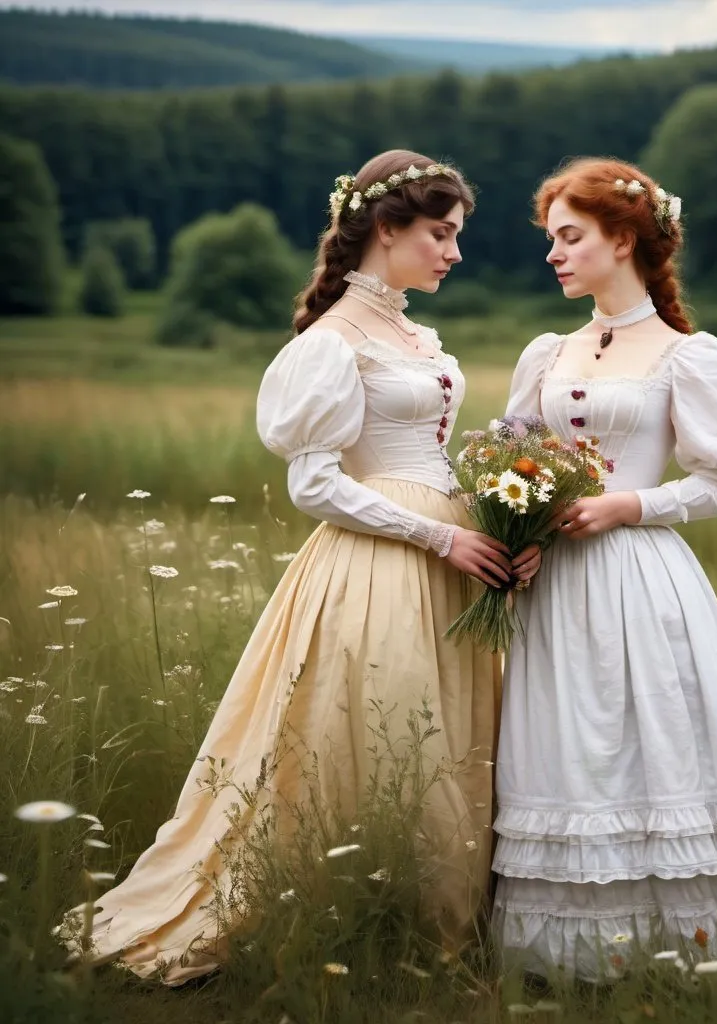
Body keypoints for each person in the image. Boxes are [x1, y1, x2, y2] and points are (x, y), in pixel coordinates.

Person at [62, 149, 540, 985]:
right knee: (373, 732)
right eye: (442, 234)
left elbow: (429, 451)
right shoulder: (332, 341)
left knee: (451, 734)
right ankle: (349, 904)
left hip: (453, 550)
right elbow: (314, 482)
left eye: (455, 237)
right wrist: (438, 537)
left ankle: (437, 914)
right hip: (381, 563)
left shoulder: (413, 331)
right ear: (387, 230)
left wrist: (498, 513)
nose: (453, 254)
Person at [491, 157, 717, 988]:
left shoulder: (690, 356)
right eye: (551, 240)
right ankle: (568, 962)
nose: (555, 255)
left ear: (624, 238)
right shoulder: (548, 351)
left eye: (570, 237)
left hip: (640, 578)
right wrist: (521, 529)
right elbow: (514, 458)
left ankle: (691, 957)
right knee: (569, 750)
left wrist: (624, 506)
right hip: (555, 589)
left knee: (656, 748)